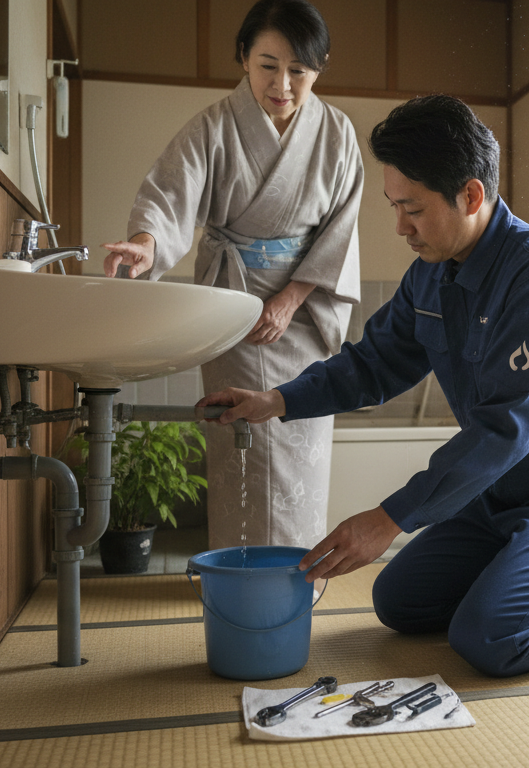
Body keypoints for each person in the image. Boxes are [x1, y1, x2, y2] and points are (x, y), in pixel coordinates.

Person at [198, 95, 529, 677]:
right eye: (394, 207)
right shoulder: (429, 274)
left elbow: (505, 428)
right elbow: (372, 364)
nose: (401, 227)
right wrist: (274, 400)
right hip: (503, 493)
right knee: (399, 602)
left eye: (413, 209)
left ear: (471, 196)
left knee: (490, 638)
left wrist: (389, 518)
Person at [103, 0, 362, 551]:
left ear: (319, 68)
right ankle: (239, 573)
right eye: (268, 65)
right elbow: (170, 196)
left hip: (304, 316)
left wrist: (290, 299)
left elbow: (339, 232)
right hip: (234, 308)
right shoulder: (214, 128)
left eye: (299, 70)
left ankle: (298, 575)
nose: (283, 85)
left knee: (301, 450)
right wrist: (147, 245)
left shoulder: (337, 134)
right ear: (244, 57)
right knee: (241, 443)